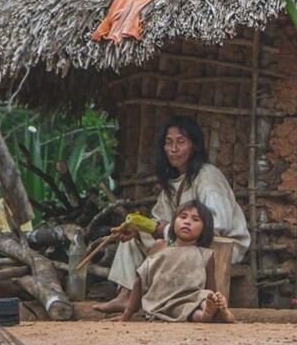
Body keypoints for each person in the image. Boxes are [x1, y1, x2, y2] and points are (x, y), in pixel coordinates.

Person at [94, 116, 250, 313]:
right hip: (187, 240)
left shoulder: (208, 177)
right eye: (169, 143)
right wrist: (142, 230)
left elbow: (218, 224)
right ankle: (126, 294)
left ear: (194, 145)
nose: (173, 149)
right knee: (135, 235)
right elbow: (159, 220)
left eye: (181, 142)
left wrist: (166, 229)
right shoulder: (174, 183)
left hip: (219, 244)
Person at [119, 200, 235, 323]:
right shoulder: (160, 246)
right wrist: (127, 313)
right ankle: (210, 315)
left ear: (204, 229)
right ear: (173, 222)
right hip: (161, 302)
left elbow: (210, 286)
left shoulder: (205, 254)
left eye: (195, 219)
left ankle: (212, 312)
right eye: (183, 217)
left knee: (202, 298)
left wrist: (214, 299)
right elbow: (141, 278)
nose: (187, 222)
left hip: (191, 299)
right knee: (186, 311)